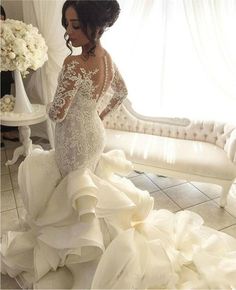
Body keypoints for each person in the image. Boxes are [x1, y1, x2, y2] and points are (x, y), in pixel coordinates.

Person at [1, 1, 236, 289]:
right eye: (66, 24)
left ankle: (82, 251)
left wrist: (54, 106)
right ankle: (88, 243)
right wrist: (94, 113)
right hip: (93, 133)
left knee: (74, 190)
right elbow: (121, 91)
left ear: (96, 26)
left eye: (75, 25)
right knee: (84, 188)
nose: (69, 31)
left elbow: (57, 112)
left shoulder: (73, 63)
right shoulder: (107, 58)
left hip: (74, 138)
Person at [0, 5, 19, 146]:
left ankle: (6, 130)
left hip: (4, 72)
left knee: (5, 99)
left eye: (1, 19)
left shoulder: (6, 32)